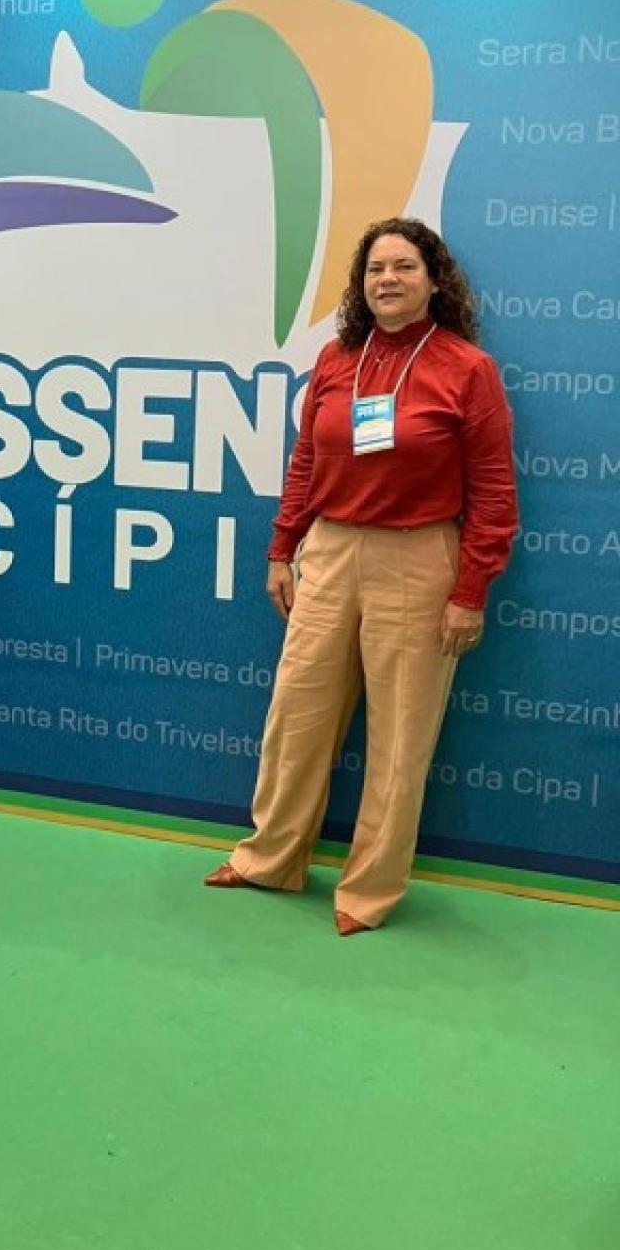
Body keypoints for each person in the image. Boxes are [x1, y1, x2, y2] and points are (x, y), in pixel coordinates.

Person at [206, 217, 518, 933]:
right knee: (298, 715)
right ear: (360, 284)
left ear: (434, 281)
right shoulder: (337, 357)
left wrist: (471, 591)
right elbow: (306, 462)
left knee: (401, 735)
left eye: (405, 267)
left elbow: (495, 492)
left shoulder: (467, 369)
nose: (388, 280)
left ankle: (369, 891)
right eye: (376, 269)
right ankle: (269, 858)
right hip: (329, 551)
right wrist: (283, 548)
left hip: (418, 560)